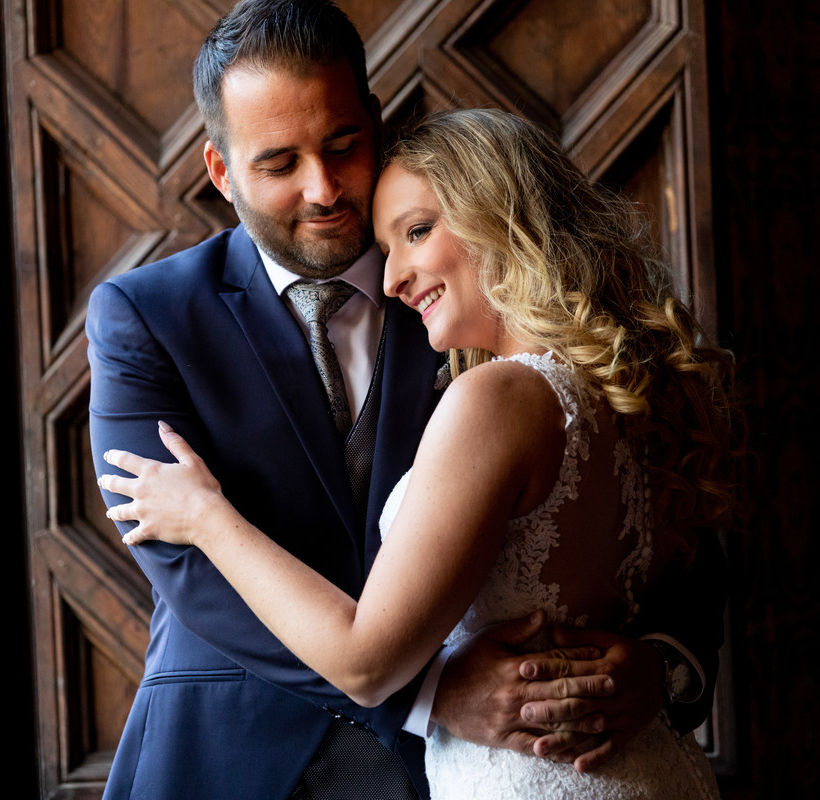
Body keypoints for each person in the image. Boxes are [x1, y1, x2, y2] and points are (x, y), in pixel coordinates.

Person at [88, 1, 728, 797]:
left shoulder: (461, 292)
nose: (322, 189)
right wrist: (428, 693)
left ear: (376, 123)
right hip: (229, 759)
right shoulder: (144, 315)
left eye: (343, 145)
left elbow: (676, 527)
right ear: (222, 172)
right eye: (280, 163)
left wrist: (662, 663)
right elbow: (182, 560)